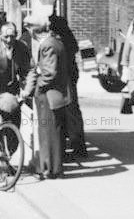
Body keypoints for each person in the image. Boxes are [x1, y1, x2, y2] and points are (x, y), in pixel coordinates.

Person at [23, 14, 71, 179]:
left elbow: (49, 73)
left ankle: (47, 168)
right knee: (54, 134)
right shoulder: (56, 42)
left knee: (46, 134)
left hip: (48, 96)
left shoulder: (47, 45)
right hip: (57, 96)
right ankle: (54, 168)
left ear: (33, 29)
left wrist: (38, 86)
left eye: (28, 28)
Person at [0, 22, 34, 152]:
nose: (9, 40)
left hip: (12, 92)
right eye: (6, 37)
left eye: (13, 36)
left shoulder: (21, 47)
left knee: (15, 128)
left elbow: (30, 70)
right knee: (1, 122)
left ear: (17, 35)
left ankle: (6, 155)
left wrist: (27, 91)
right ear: (0, 35)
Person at [49, 14, 87, 160]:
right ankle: (78, 146)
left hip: (63, 78)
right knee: (73, 112)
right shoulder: (68, 38)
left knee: (64, 113)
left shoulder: (57, 41)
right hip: (70, 75)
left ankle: (66, 148)